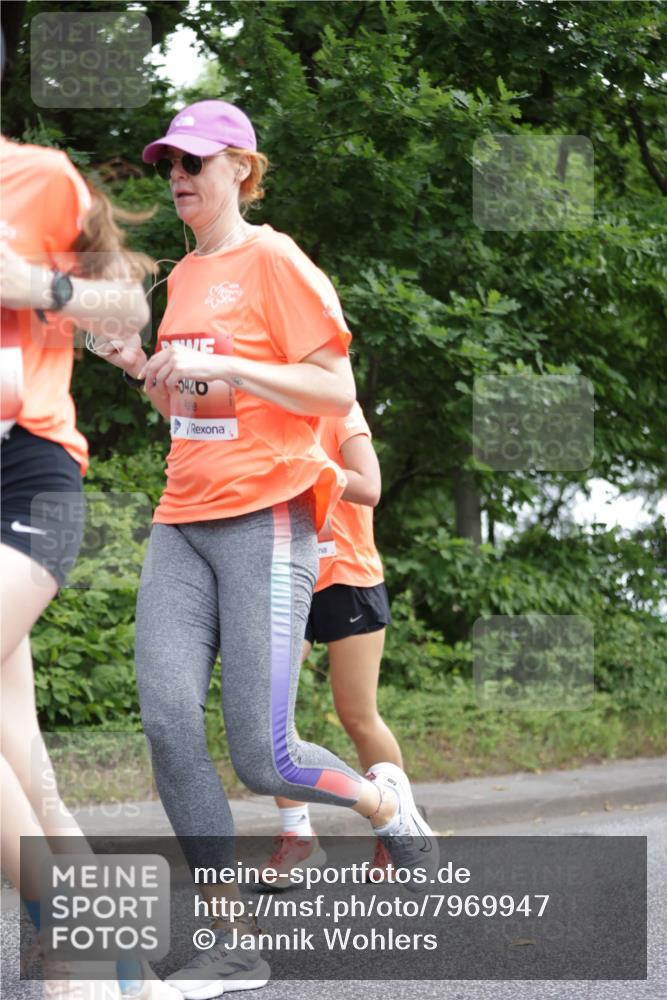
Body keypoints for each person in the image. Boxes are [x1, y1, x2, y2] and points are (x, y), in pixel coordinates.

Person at [133, 100, 438, 999]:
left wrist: (230, 365)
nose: (179, 176)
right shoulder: (183, 277)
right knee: (167, 721)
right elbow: (189, 410)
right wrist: (145, 370)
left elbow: (333, 387)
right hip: (181, 515)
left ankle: (385, 801)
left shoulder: (275, 260)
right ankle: (228, 942)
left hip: (267, 516)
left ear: (242, 168)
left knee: (263, 756)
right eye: (169, 163)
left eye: (194, 161)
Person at [0, 132, 177, 1000]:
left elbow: (128, 311)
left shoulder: (37, 177)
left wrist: (39, 287)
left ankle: (75, 942)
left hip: (24, 471)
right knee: (26, 764)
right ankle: (132, 973)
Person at [259, 401, 403, 884]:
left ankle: (396, 828)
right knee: (265, 714)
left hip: (346, 575)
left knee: (356, 715)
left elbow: (370, 487)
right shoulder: (261, 406)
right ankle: (298, 835)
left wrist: (306, 467)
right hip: (285, 575)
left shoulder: (339, 408)